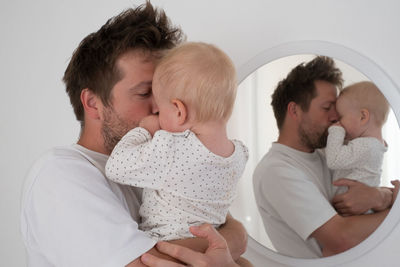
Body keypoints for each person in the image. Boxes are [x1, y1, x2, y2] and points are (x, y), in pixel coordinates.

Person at [20, 3, 247, 267]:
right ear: (93, 103)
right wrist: (234, 240)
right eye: (145, 93)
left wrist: (232, 236)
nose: (163, 107)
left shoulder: (162, 157)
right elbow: (145, 264)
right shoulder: (59, 173)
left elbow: (218, 222)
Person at [253, 56, 398, 258]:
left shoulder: (327, 151)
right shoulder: (276, 170)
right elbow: (342, 239)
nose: (335, 117)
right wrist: (394, 211)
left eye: (336, 109)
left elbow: (369, 189)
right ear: (294, 110)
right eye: (326, 107)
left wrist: (381, 196)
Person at [105, 42, 249, 241]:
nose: (155, 112)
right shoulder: (240, 154)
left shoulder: (172, 149)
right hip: (210, 243)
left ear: (179, 112)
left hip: (166, 245)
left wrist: (145, 130)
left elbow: (115, 167)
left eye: (161, 109)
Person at [326, 81, 389, 202]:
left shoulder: (367, 146)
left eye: (341, 117)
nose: (337, 121)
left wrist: (335, 131)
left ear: (363, 117)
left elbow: (333, 160)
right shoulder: (374, 145)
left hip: (354, 210)